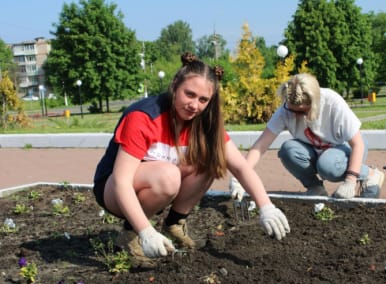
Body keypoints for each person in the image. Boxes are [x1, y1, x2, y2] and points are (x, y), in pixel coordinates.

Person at [93, 52, 290, 268]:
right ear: (175, 85)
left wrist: (266, 206)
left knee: (211, 159)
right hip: (113, 190)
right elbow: (121, 181)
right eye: (189, 94)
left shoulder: (205, 123)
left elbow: (241, 167)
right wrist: (145, 231)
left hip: (155, 183)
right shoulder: (144, 117)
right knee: (168, 176)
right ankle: (131, 235)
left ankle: (175, 223)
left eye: (203, 99)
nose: (194, 105)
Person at [230, 73, 385, 201]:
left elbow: (358, 144)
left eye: (302, 111)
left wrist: (350, 181)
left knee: (327, 165)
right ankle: (315, 188)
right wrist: (241, 176)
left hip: (344, 149)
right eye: (292, 111)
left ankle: (371, 174)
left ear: (315, 103)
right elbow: (260, 146)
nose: (295, 115)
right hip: (317, 151)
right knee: (288, 150)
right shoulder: (286, 110)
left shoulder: (332, 102)